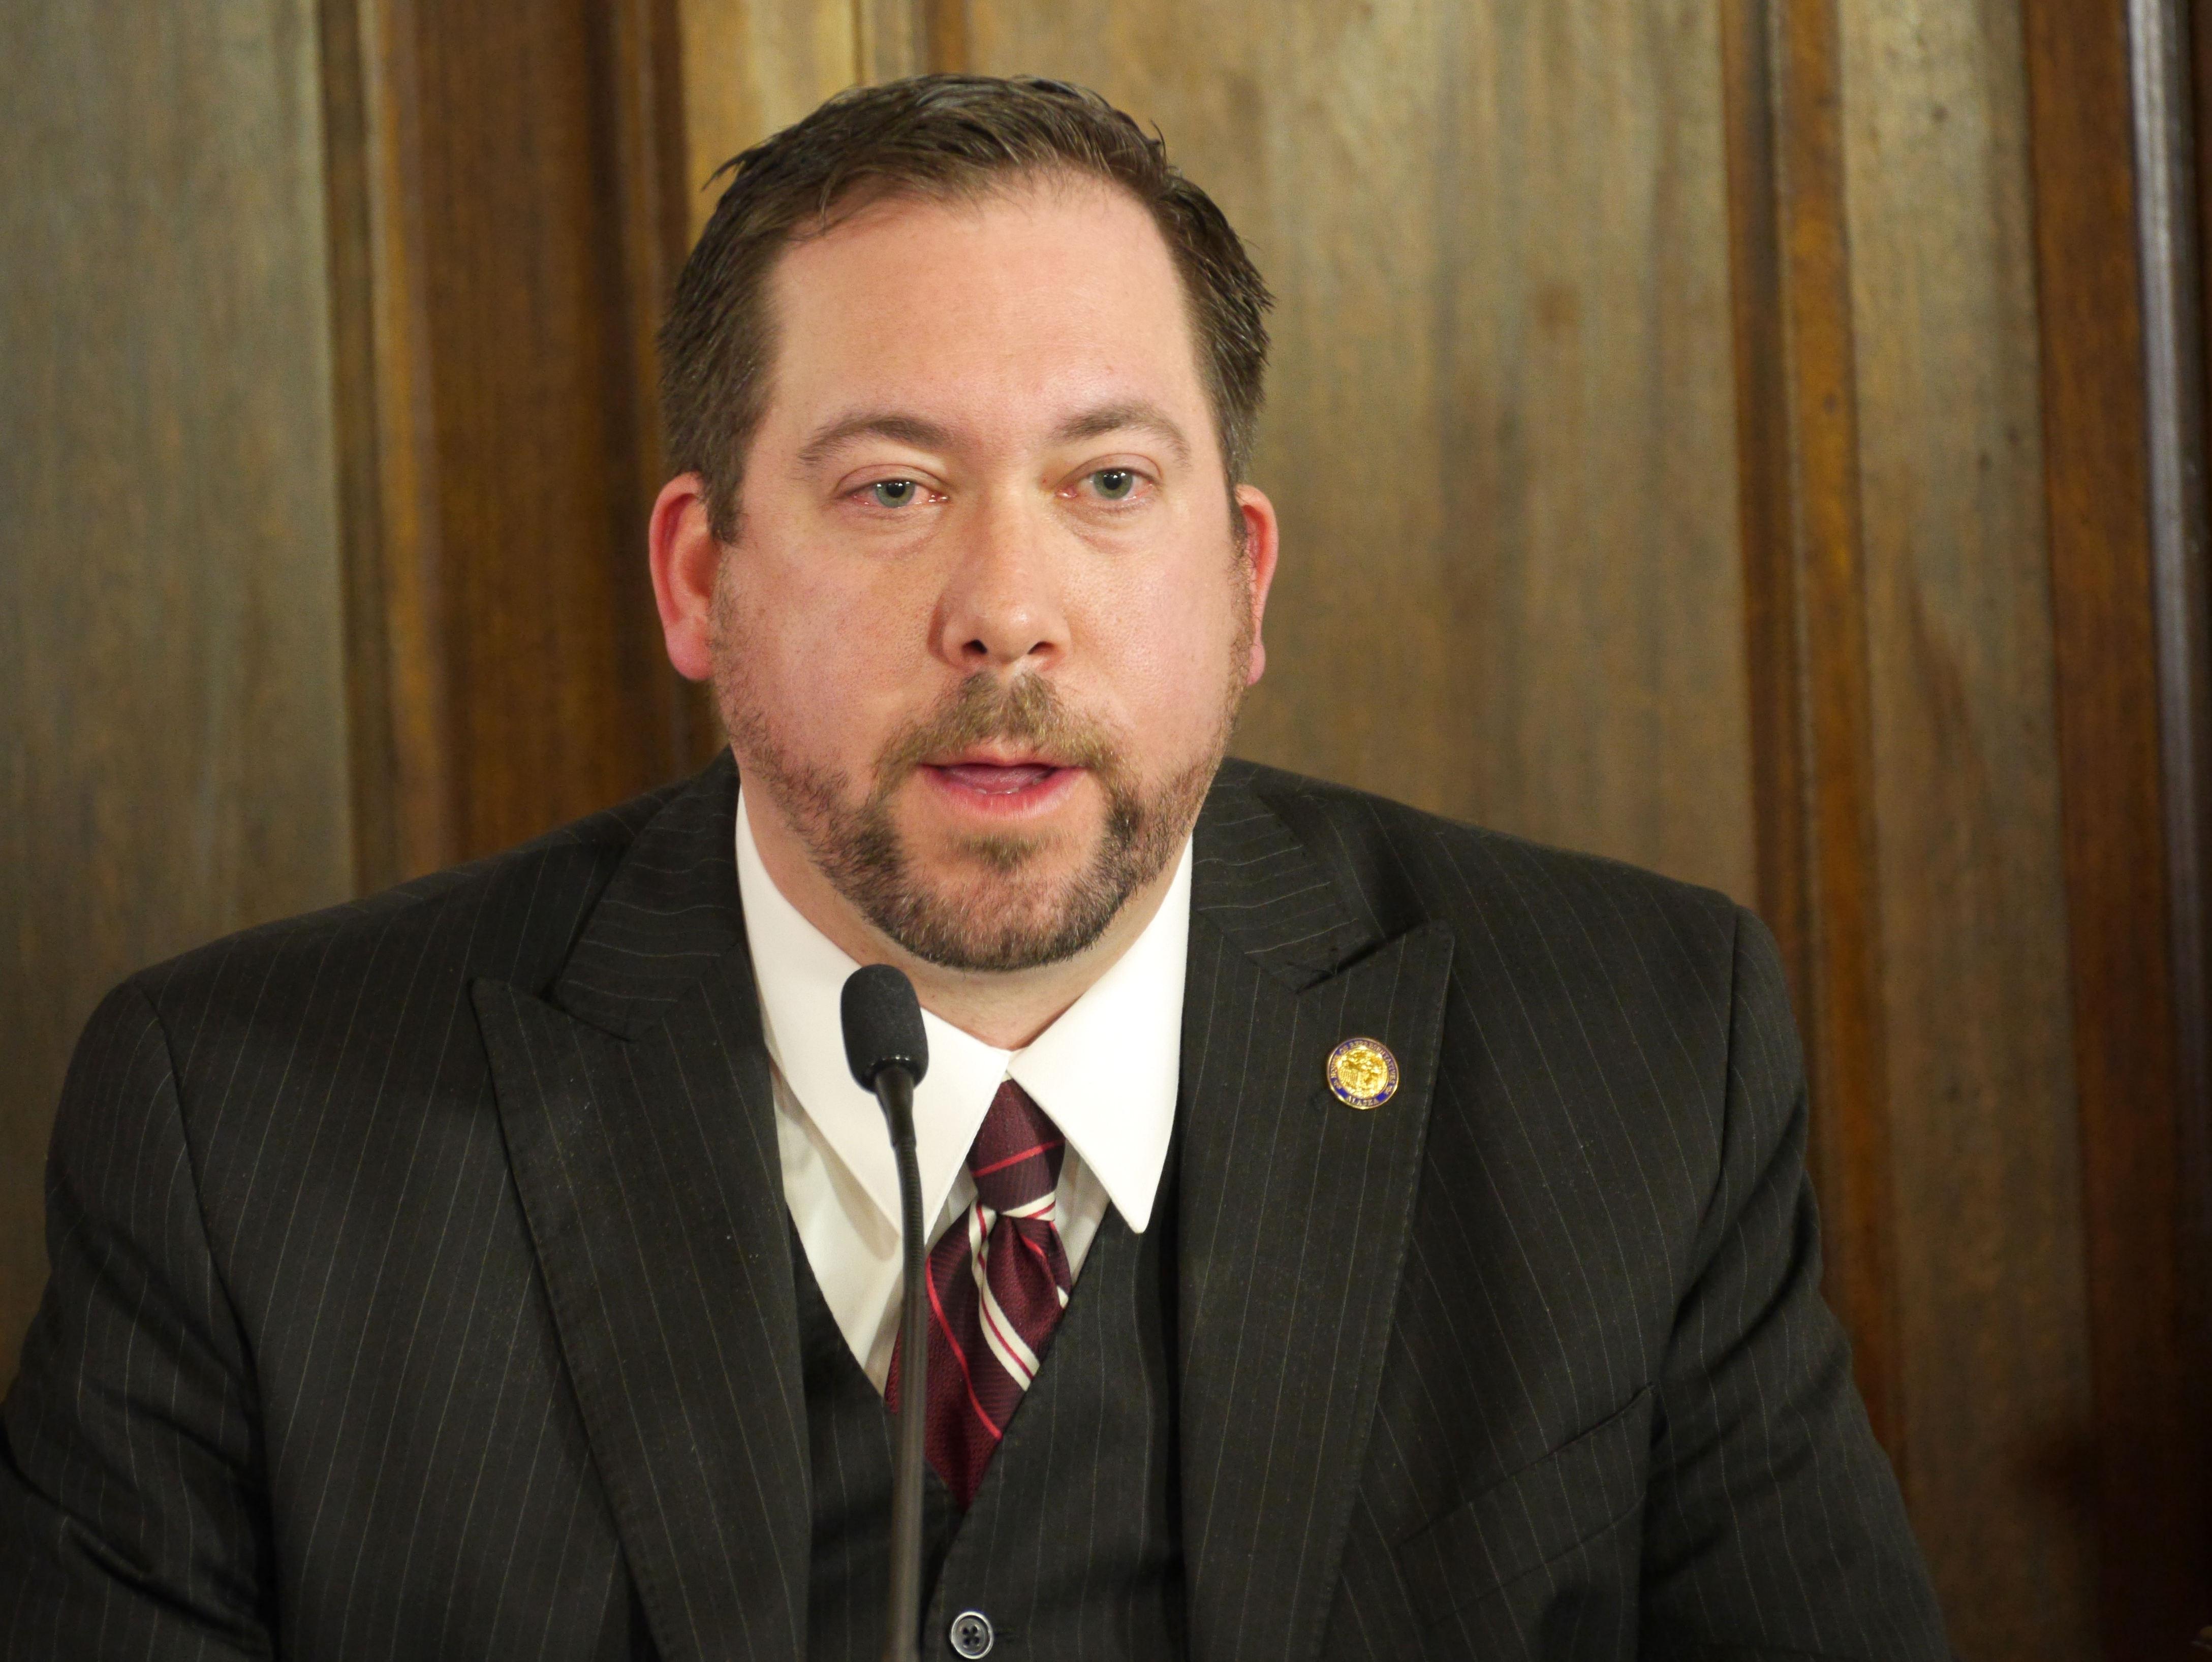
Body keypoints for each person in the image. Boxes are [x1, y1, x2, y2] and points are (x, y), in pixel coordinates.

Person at [0, 74, 1949, 1660]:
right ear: (701, 577)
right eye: (891, 491)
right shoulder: (237, 1128)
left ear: (1240, 580)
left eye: (1108, 484)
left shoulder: (1633, 1052)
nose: (1004, 615)